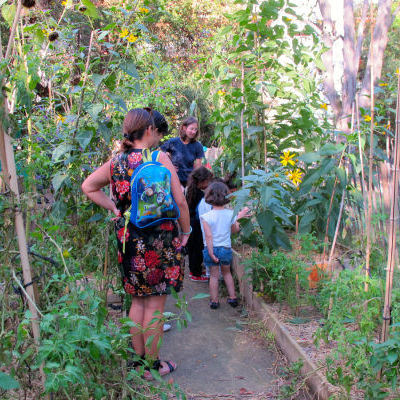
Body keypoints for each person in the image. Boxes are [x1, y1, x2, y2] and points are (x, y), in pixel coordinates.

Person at [81, 108, 191, 378]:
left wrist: (114, 209)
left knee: (138, 302)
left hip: (129, 240)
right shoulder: (159, 157)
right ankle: (153, 367)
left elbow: (88, 186)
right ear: (150, 131)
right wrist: (186, 231)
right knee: (155, 306)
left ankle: (139, 362)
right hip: (161, 241)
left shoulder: (116, 162)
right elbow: (180, 201)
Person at [200, 182, 249, 310]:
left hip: (211, 249)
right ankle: (232, 297)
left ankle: (214, 301)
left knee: (214, 276)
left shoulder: (206, 217)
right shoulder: (230, 214)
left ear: (209, 196)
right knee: (227, 273)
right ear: (226, 196)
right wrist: (239, 217)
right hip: (225, 249)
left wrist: (210, 252)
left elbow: (209, 236)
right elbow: (234, 230)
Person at [185, 166, 214, 281]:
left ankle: (193, 270)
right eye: (207, 181)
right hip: (197, 224)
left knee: (192, 248)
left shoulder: (190, 190)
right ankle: (196, 274)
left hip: (190, 223)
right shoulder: (200, 195)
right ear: (201, 181)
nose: (208, 183)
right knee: (198, 248)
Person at [161, 116, 204, 187]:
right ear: (184, 128)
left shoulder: (198, 146)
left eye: (195, 129)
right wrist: (169, 166)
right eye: (191, 129)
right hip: (172, 181)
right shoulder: (173, 142)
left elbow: (198, 167)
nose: (193, 132)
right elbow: (159, 154)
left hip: (189, 183)